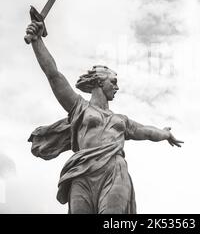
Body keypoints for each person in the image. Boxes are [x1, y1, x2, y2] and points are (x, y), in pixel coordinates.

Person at [26, 21, 183, 214]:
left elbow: (146, 132)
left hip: (113, 171)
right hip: (81, 171)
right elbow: (54, 75)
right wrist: (37, 41)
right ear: (99, 81)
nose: (117, 87)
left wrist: (165, 133)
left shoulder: (121, 120)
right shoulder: (79, 108)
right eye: (113, 82)